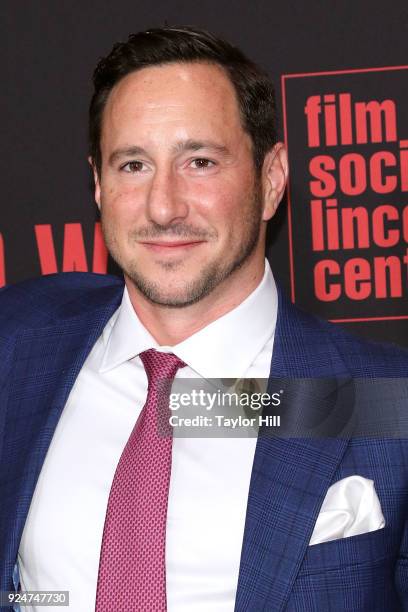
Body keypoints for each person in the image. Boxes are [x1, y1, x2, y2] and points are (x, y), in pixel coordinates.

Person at [0, 26, 407, 612]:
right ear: (96, 184)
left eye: (199, 161)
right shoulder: (18, 349)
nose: (164, 207)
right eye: (134, 165)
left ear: (271, 181)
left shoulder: (382, 400)